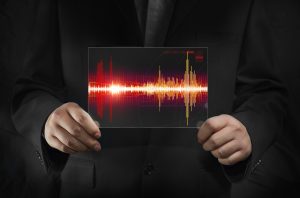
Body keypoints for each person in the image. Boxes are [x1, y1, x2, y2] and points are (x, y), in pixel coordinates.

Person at [11, 0, 286, 197]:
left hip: (195, 185)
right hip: (92, 186)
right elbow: (32, 88)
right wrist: (47, 120)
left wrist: (249, 129)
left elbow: (265, 91)